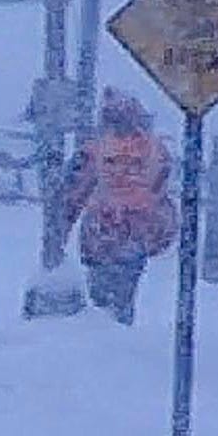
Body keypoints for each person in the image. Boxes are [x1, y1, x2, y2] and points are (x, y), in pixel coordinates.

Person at [62, 91, 178, 325]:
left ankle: (107, 332)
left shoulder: (95, 150)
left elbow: (73, 192)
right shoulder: (157, 150)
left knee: (102, 298)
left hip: (102, 234)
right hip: (136, 236)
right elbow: (160, 192)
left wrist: (63, 228)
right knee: (123, 294)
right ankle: (118, 329)